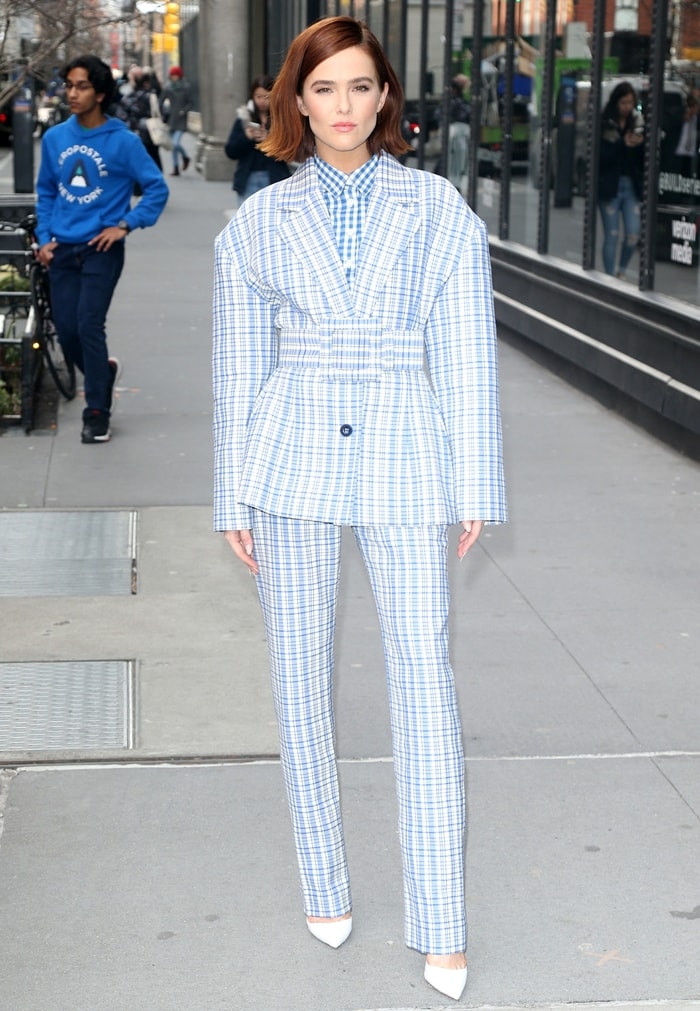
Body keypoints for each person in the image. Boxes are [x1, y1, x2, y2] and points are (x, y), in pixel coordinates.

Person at [212, 16, 506, 1003]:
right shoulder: (256, 221)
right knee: (298, 678)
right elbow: (238, 371)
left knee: (424, 681)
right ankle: (323, 878)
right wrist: (230, 495)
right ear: (294, 102)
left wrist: (477, 486)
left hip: (404, 453)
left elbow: (464, 356)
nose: (342, 106)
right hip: (287, 461)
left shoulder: (437, 212)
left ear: (386, 100)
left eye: (360, 87)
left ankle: (443, 920)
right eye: (323, 88)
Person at [36, 55, 168, 444]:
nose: (71, 94)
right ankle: (103, 373)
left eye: (81, 86)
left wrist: (125, 224)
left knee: (89, 326)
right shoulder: (55, 138)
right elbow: (46, 191)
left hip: (100, 249)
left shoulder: (123, 141)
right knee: (67, 330)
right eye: (69, 86)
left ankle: (96, 411)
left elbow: (156, 188)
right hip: (61, 249)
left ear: (101, 93)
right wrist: (45, 239)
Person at [598, 81, 644, 278]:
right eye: (624, 102)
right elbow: (602, 156)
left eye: (631, 103)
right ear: (616, 102)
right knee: (612, 234)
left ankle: (622, 271)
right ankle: (609, 277)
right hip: (610, 186)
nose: (627, 107)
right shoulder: (607, 123)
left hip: (630, 185)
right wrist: (621, 144)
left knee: (633, 233)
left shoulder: (637, 123)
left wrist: (640, 143)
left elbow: (642, 160)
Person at [224, 74, 291, 203]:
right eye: (258, 96)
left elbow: (291, 152)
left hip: (275, 179)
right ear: (252, 96)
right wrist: (246, 137)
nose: (262, 101)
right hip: (248, 179)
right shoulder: (244, 119)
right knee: (248, 221)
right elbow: (230, 151)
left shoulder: (282, 120)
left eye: (267, 97)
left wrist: (270, 139)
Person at [160, 66, 192, 177]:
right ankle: (175, 168)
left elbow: (190, 103)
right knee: (173, 146)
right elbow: (161, 101)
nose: (174, 77)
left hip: (181, 120)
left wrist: (184, 111)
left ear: (179, 75)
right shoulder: (168, 88)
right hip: (171, 119)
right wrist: (162, 113)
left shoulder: (186, 87)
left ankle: (185, 157)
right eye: (172, 75)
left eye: (176, 75)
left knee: (176, 143)